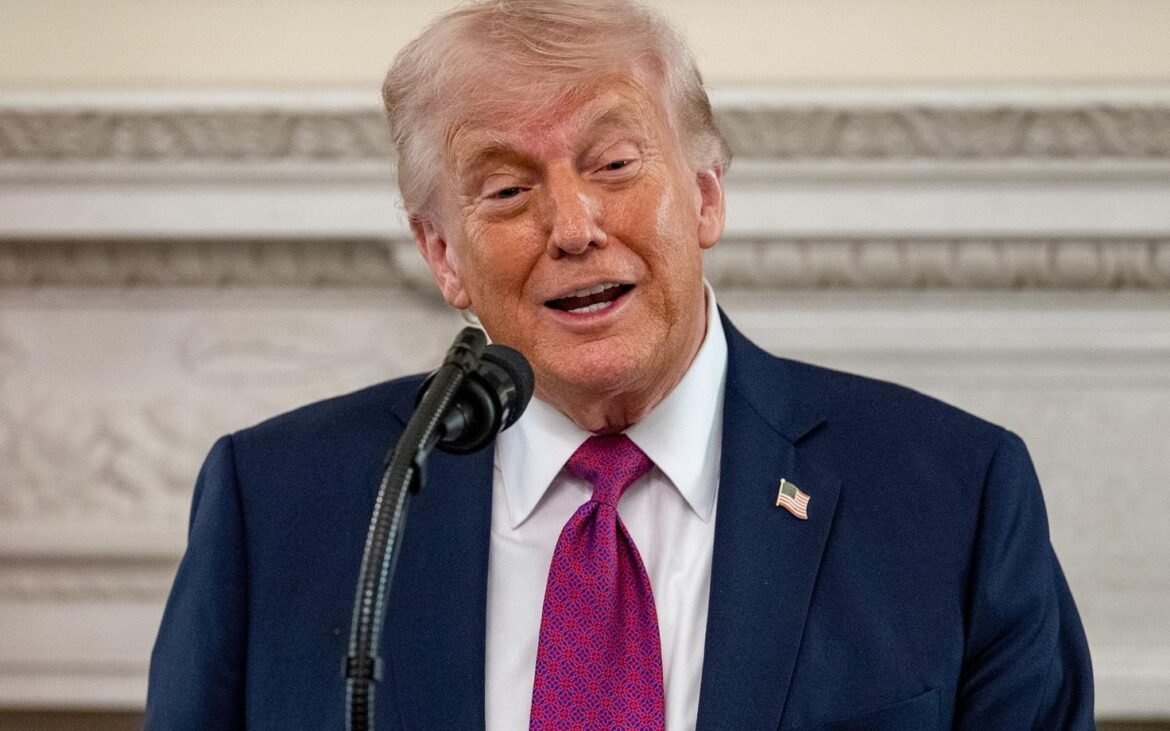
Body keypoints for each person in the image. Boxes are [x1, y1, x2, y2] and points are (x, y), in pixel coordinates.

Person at [145, 1, 1094, 728]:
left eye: (613, 165)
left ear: (707, 196)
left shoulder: (953, 497)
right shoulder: (278, 505)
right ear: (442, 254)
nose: (574, 227)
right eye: (509, 188)